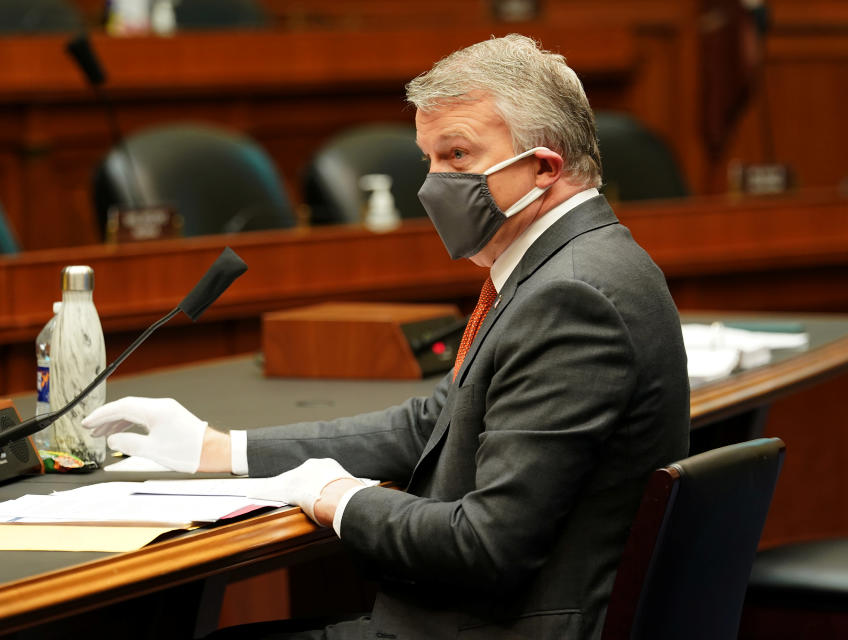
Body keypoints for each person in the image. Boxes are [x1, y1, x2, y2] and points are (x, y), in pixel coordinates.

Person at [83, 34, 689, 639]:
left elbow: (484, 545)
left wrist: (337, 497)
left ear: (544, 167)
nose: (432, 184)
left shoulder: (571, 295)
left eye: (457, 155)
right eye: (428, 159)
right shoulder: (578, 262)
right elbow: (437, 422)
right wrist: (218, 449)